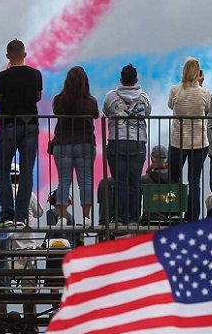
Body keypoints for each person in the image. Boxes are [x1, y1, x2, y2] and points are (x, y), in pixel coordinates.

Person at [0, 39, 43, 226]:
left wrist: (7, 73)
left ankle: (7, 213)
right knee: (27, 171)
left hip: (9, 125)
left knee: (3, 169)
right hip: (30, 124)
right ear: (24, 54)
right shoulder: (35, 74)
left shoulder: (1, 77)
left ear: (8, 55)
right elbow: (37, 97)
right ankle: (22, 215)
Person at [103, 64, 151, 224]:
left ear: (121, 80)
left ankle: (119, 217)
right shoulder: (144, 97)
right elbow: (148, 112)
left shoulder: (111, 97)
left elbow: (106, 112)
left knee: (119, 181)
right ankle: (134, 217)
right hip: (137, 142)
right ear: (136, 79)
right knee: (135, 181)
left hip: (117, 141)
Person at [51, 65, 99, 223]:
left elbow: (57, 112)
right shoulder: (90, 102)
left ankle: (63, 216)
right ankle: (86, 216)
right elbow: (96, 114)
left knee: (64, 180)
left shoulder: (59, 100)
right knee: (85, 180)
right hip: (84, 143)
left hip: (62, 143)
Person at [167, 57, 211, 221]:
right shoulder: (204, 92)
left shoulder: (175, 90)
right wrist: (200, 84)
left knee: (174, 178)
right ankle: (193, 216)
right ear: (198, 73)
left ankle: (174, 211)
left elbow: (170, 105)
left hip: (178, 141)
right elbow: (207, 109)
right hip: (199, 141)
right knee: (195, 180)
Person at [10, 164, 43, 316]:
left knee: (0, 291)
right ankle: (31, 327)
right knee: (29, 292)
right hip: (27, 251)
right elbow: (39, 213)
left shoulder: (1, 194)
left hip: (7, 253)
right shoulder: (29, 194)